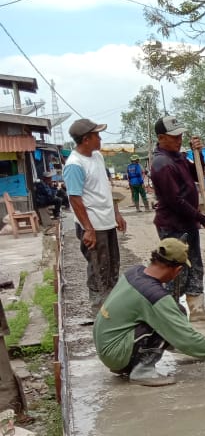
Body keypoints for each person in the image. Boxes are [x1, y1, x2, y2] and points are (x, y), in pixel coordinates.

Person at [93, 237, 205, 386]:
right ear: (178, 269)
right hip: (115, 354)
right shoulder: (154, 296)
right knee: (169, 322)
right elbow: (186, 336)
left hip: (106, 343)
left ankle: (171, 347)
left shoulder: (134, 272)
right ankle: (142, 371)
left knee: (176, 311)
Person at [150, 116, 205, 323]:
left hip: (188, 223)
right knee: (175, 271)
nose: (178, 139)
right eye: (174, 137)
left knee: (195, 265)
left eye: (180, 135)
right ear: (161, 138)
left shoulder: (178, 157)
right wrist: (203, 218)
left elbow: (196, 174)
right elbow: (175, 201)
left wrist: (196, 154)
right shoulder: (161, 163)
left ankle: (198, 310)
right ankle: (171, 315)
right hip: (172, 226)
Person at [65, 117, 127, 316]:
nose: (100, 139)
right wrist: (88, 229)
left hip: (106, 221)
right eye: (97, 135)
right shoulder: (75, 164)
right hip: (92, 225)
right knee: (98, 268)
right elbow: (75, 198)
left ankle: (113, 307)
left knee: (112, 265)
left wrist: (116, 212)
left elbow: (105, 188)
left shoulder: (97, 157)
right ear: (86, 139)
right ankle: (99, 311)